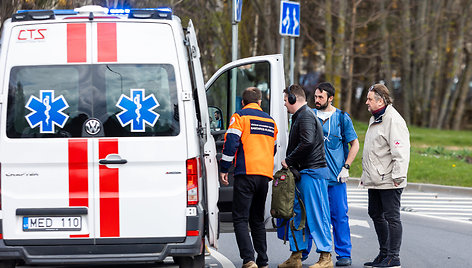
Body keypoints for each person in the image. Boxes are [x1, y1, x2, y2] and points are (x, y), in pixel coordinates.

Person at [220, 87, 278, 268]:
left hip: (246, 173)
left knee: (240, 218)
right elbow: (273, 148)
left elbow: (231, 143)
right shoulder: (270, 121)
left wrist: (224, 168)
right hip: (264, 175)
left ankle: (249, 259)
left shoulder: (240, 117)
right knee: (257, 219)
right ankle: (263, 260)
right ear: (260, 102)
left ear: (243, 102)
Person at [278, 84, 333, 268]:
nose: (284, 104)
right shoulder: (302, 116)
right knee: (298, 215)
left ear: (293, 99)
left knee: (317, 215)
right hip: (305, 173)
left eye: (286, 100)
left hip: (312, 173)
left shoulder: (306, 116)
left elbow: (307, 142)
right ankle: (296, 257)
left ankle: (326, 257)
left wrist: (289, 160)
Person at [309, 82, 359, 266]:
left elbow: (355, 144)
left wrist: (346, 166)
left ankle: (344, 254)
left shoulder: (342, 118)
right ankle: (303, 253)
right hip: (313, 178)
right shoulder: (309, 115)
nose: (316, 100)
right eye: (315, 96)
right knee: (310, 216)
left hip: (335, 179)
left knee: (339, 216)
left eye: (320, 97)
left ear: (330, 98)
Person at [361, 84, 410, 268]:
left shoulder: (393, 120)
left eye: (370, 99)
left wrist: (398, 177)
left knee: (392, 217)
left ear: (380, 100)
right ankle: (384, 254)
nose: (367, 102)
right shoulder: (376, 118)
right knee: (375, 213)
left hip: (390, 179)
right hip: (376, 179)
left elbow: (401, 152)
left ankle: (393, 256)